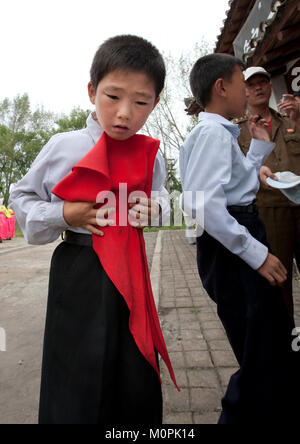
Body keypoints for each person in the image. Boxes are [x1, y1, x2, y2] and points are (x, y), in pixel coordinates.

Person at [9, 35, 178, 425]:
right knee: (76, 372)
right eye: (113, 97)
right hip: (79, 270)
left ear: (155, 103)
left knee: (133, 368)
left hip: (131, 270)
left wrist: (156, 209)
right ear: (91, 91)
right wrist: (64, 214)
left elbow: (163, 197)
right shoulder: (64, 146)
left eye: (141, 102)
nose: (124, 114)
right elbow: (22, 197)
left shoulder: (150, 154)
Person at [180, 53, 300, 424]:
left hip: (235, 233)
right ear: (222, 88)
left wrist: (260, 146)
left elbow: (237, 186)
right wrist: (256, 253)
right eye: (241, 83)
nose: (248, 92)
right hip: (232, 241)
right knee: (261, 352)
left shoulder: (219, 133)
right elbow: (203, 203)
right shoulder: (214, 133)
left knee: (271, 342)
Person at [237, 66, 300, 317]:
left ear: (270, 86)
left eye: (263, 82)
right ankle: (287, 339)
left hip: (299, 203)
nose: (258, 88)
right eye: (252, 85)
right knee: (278, 278)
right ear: (244, 91)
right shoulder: (239, 130)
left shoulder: (290, 119)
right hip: (270, 210)